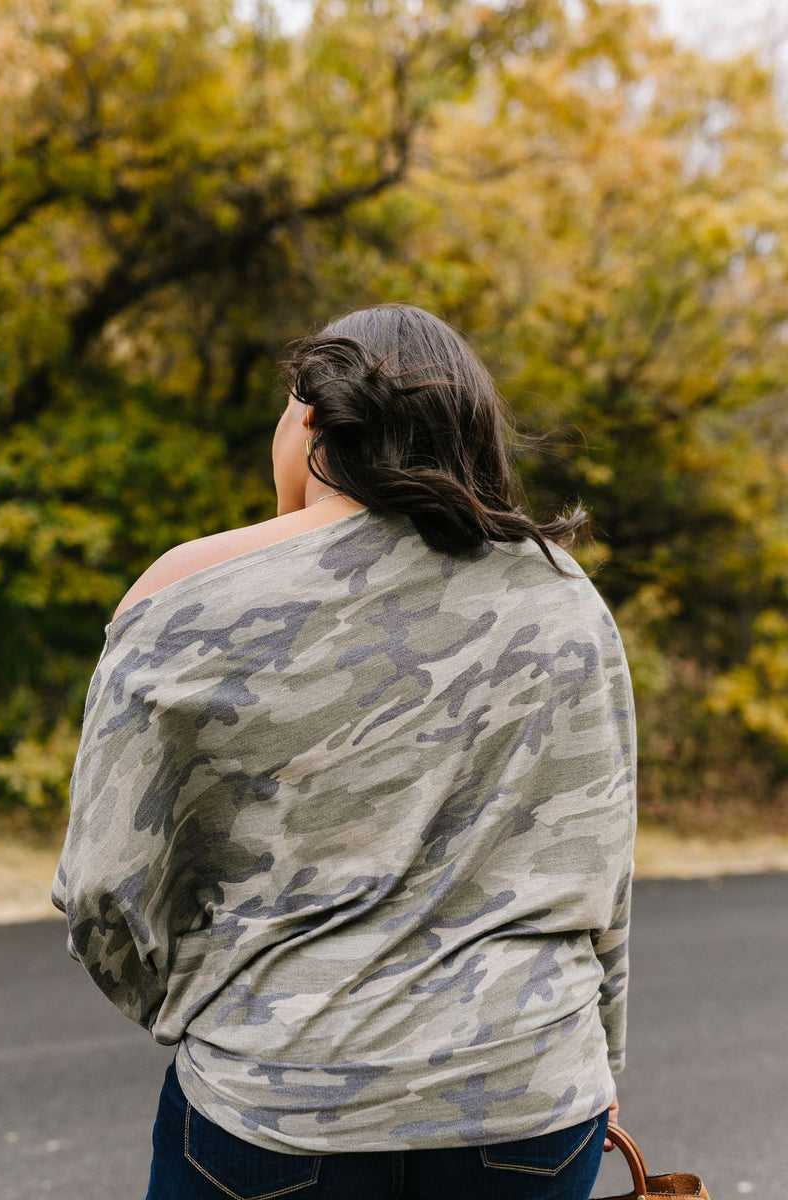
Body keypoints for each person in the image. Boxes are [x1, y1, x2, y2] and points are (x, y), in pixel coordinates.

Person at [52, 303, 636, 1200]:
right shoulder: (563, 595)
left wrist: (216, 1013)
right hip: (531, 1100)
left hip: (279, 1104)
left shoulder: (187, 591)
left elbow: (102, 893)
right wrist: (597, 1059)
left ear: (312, 419)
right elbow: (600, 871)